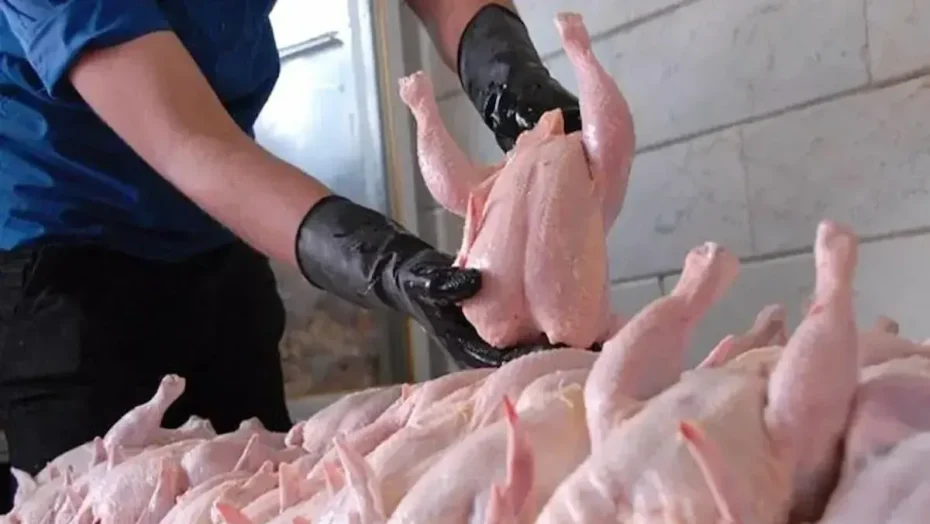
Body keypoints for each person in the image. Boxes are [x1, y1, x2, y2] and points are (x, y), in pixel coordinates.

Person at [0, 0, 582, 485]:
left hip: (219, 236)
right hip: (64, 258)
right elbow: (188, 140)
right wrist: (381, 263)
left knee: (262, 497)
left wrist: (505, 66)